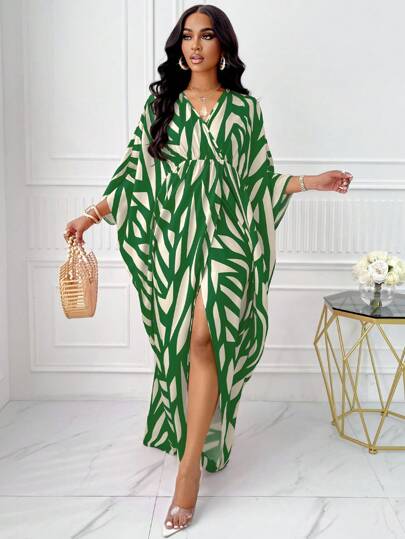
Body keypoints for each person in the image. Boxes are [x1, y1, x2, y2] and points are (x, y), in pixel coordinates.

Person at [63, 4, 352, 536]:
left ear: (224, 46)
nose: (195, 45)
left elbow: (259, 178)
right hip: (176, 240)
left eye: (207, 36)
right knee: (190, 342)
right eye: (188, 36)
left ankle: (189, 467)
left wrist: (311, 181)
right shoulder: (162, 104)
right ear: (180, 46)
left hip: (230, 239)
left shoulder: (244, 109)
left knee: (207, 334)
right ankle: (192, 448)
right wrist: (91, 214)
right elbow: (134, 174)